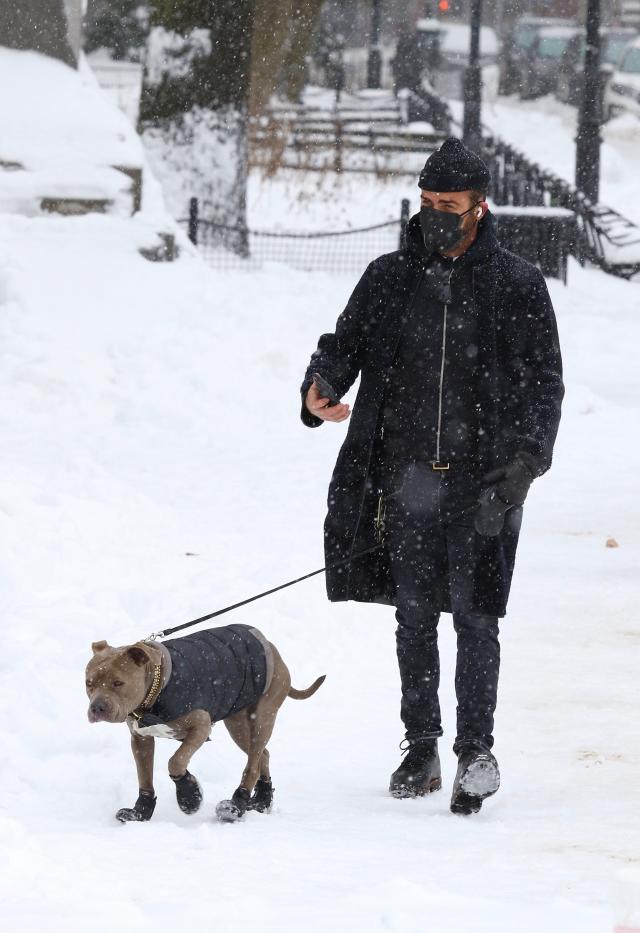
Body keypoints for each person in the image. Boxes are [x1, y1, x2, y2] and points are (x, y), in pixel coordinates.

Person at [299, 137, 564, 815]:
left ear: (480, 206)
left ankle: (476, 751)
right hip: (407, 478)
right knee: (413, 615)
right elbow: (343, 344)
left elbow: (545, 387)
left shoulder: (517, 285)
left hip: (487, 482)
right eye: (427, 203)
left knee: (477, 618)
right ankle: (420, 746)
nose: (435, 215)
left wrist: (522, 468)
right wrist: (319, 384)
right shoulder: (390, 278)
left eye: (449, 205)